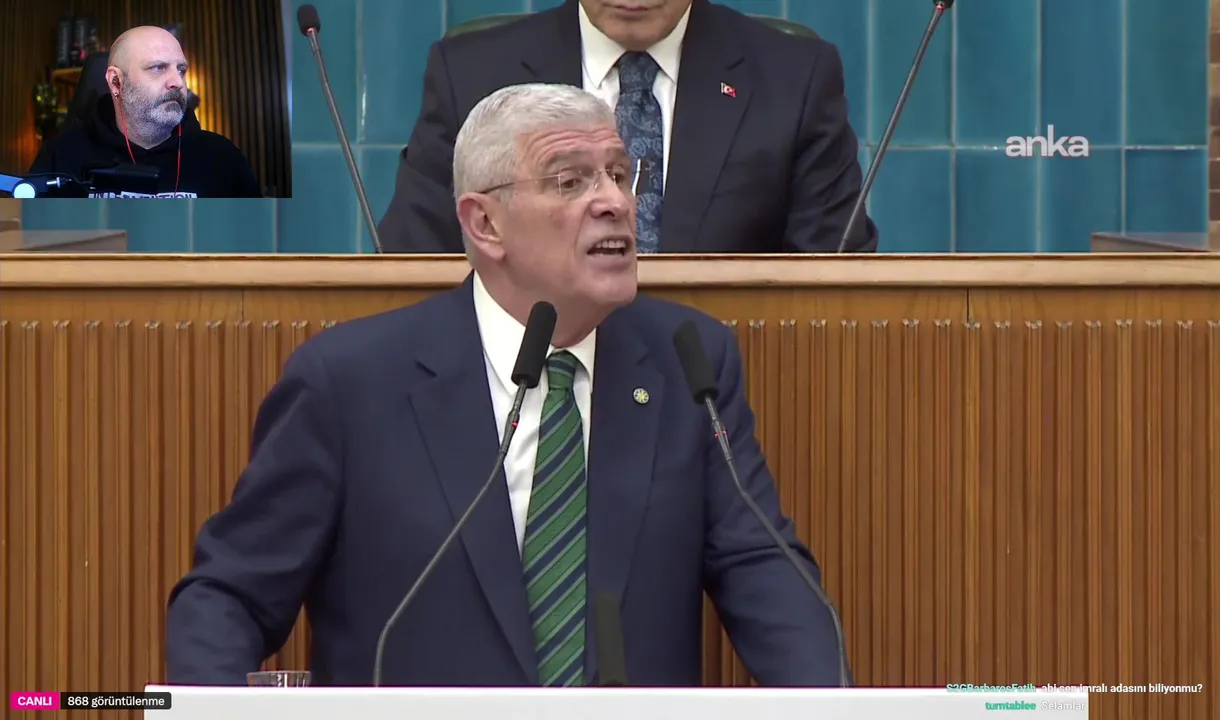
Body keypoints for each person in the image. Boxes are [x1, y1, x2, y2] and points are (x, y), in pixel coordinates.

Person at [165, 83, 845, 687]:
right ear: (484, 223)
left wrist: (833, 705)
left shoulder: (687, 363)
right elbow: (229, 596)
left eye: (619, 173)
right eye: (570, 181)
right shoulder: (349, 383)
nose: (615, 202)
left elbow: (764, 570)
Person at [377, 0, 876, 254]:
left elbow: (835, 279)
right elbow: (413, 264)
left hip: (727, 384)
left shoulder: (795, 77)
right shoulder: (471, 75)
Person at [28, 26, 260, 198]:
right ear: (116, 81)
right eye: (158, 68)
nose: (177, 82)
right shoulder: (61, 156)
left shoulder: (223, 158)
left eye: (181, 70)